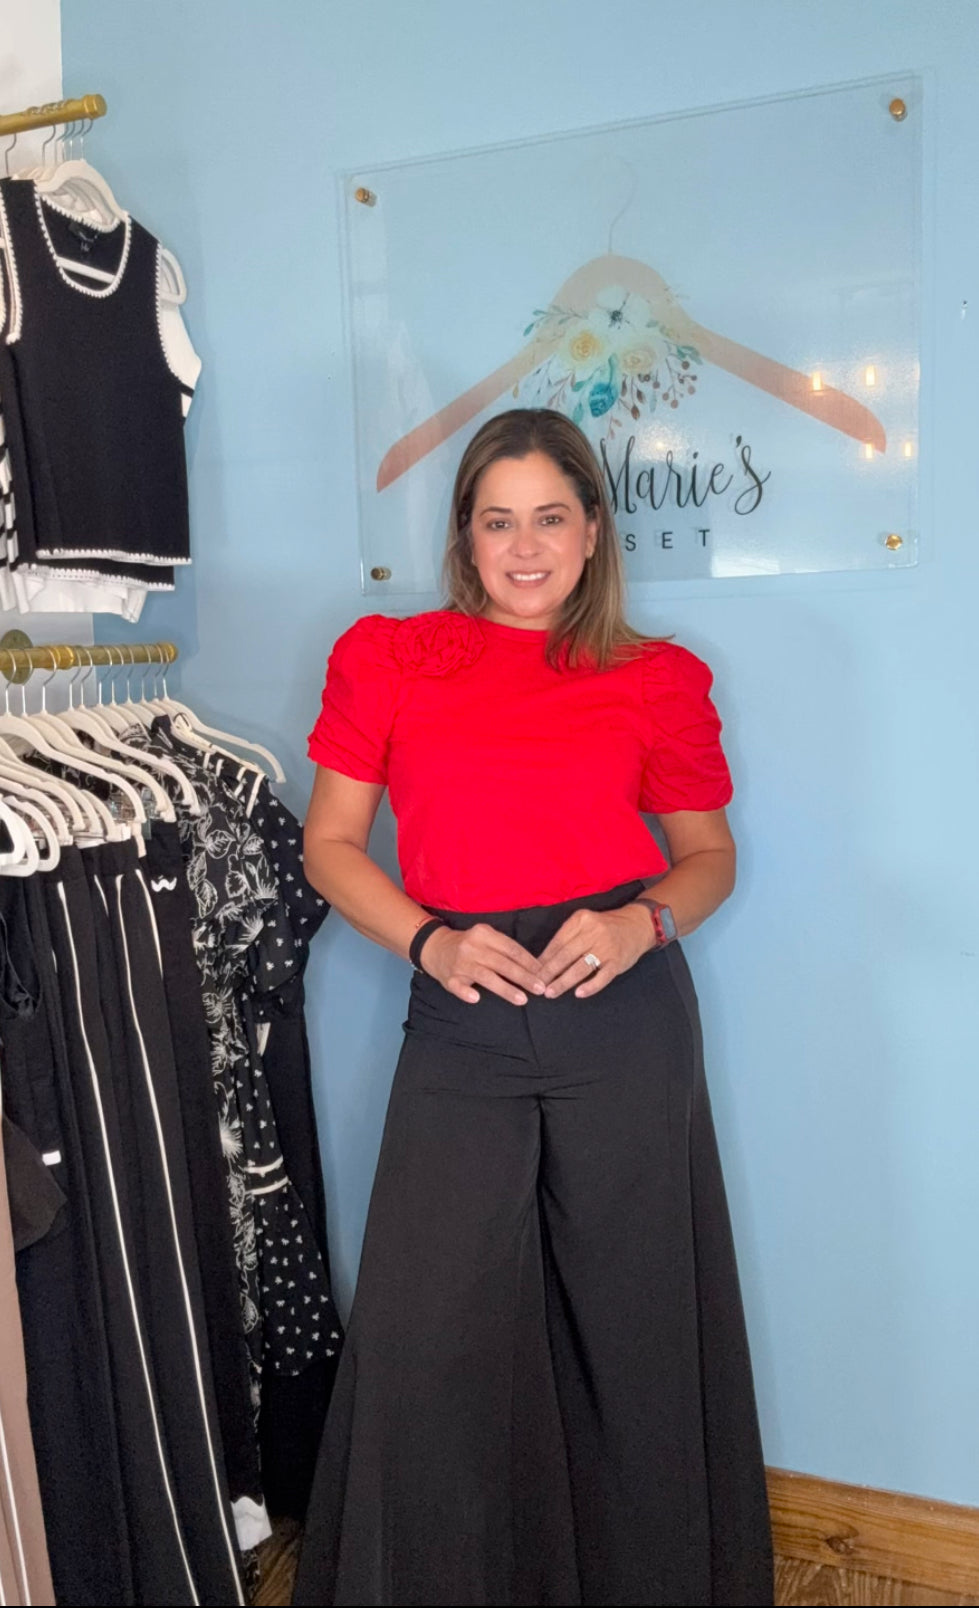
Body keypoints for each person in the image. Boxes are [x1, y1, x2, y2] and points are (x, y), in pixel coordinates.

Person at [294, 408, 773, 1607]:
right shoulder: (387, 659)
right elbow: (332, 846)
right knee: (429, 1328)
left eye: (548, 518)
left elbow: (708, 854)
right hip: (460, 1006)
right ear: (463, 535)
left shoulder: (657, 678)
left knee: (634, 1320)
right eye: (496, 520)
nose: (523, 547)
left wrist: (641, 921)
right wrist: (425, 941)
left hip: (620, 1006)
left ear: (593, 530)